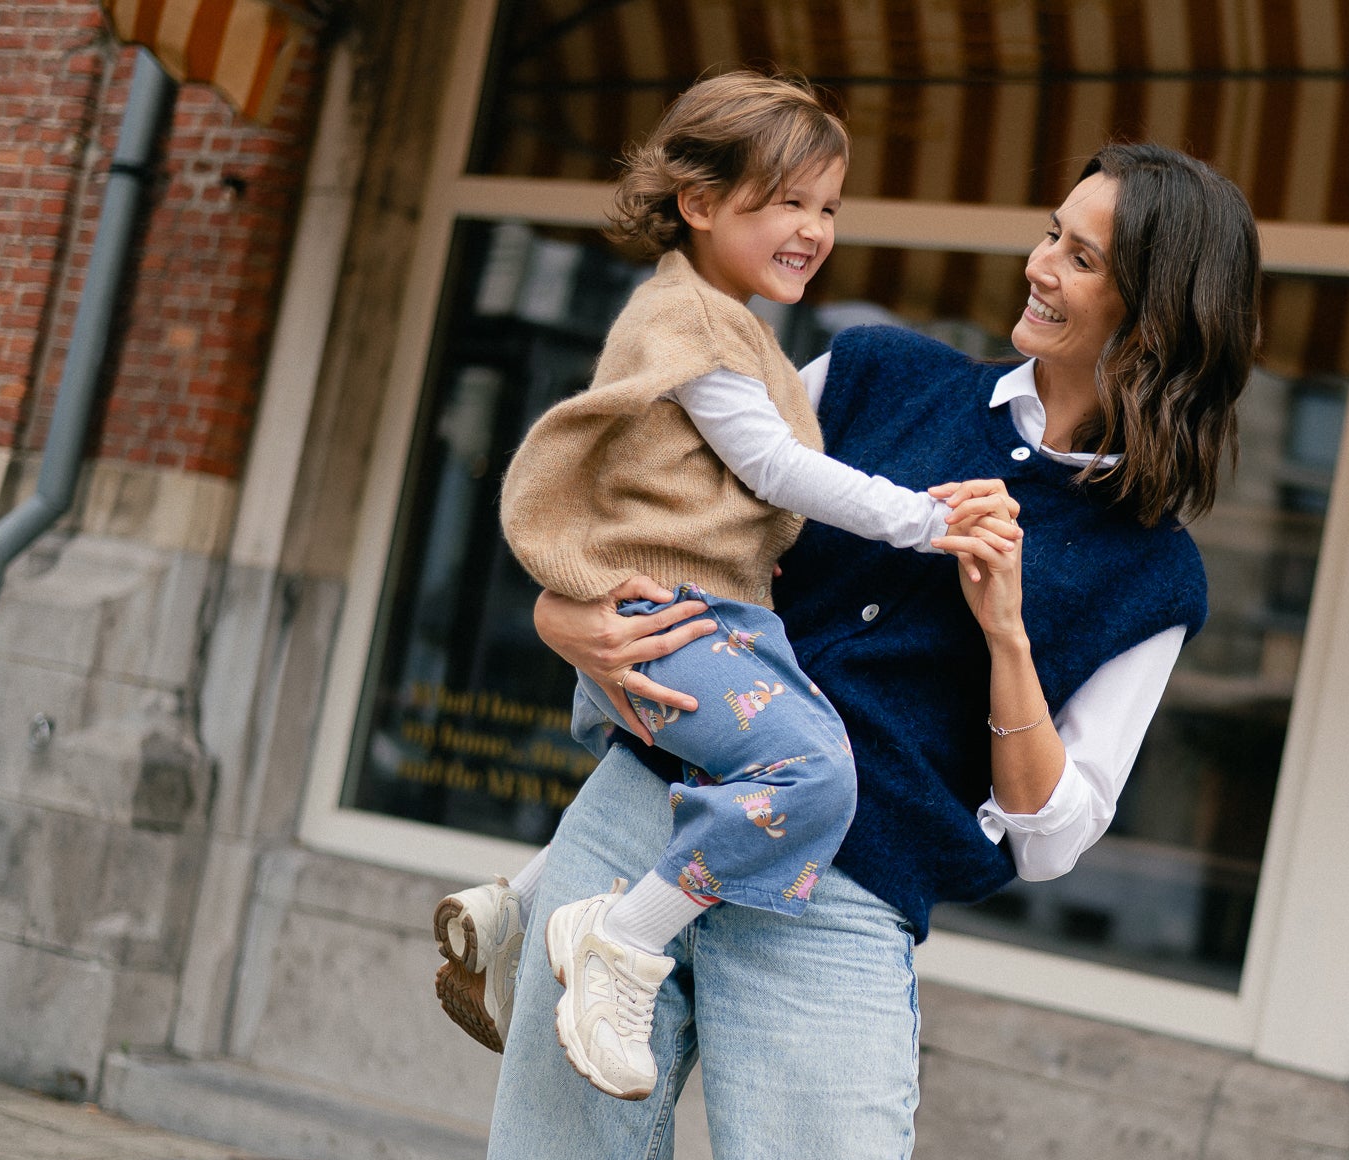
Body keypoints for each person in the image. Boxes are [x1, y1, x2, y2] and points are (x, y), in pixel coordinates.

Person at [464, 141, 1261, 1160]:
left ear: (1151, 318)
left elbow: (1050, 834)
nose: (1038, 265)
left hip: (838, 904)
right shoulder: (880, 375)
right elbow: (666, 497)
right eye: (1050, 230)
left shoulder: (1152, 571)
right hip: (642, 812)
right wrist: (562, 608)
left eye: (1080, 256)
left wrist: (1007, 634)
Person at [430, 70, 1011, 1099]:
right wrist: (926, 520)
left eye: (826, 206)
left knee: (695, 773)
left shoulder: (717, 319)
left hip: (689, 614)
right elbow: (781, 470)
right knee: (813, 779)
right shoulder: (694, 329)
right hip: (678, 618)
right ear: (698, 204)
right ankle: (618, 942)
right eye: (785, 201)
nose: (811, 228)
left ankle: (516, 905)